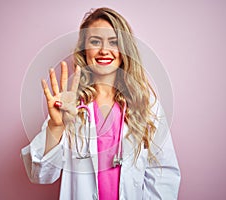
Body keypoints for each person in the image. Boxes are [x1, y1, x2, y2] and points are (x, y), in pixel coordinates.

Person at [21, 7, 181, 200]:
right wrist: (56, 126)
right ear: (84, 49)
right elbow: (40, 174)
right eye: (95, 41)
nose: (104, 50)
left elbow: (164, 176)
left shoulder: (146, 105)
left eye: (114, 42)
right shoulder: (70, 106)